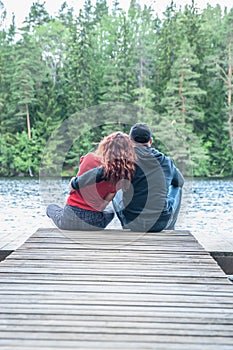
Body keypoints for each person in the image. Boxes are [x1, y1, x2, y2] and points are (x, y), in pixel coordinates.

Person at [70, 123, 184, 232]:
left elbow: (97, 173)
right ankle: (170, 227)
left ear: (130, 141)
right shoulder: (166, 161)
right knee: (177, 188)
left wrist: (75, 183)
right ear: (151, 141)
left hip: (133, 223)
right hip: (160, 224)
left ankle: (125, 225)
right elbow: (180, 181)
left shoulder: (125, 161)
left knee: (116, 187)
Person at [46, 132, 136, 231]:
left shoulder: (89, 158)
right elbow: (104, 204)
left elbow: (74, 186)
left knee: (51, 207)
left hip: (69, 218)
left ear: (105, 146)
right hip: (94, 223)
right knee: (110, 212)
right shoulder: (119, 175)